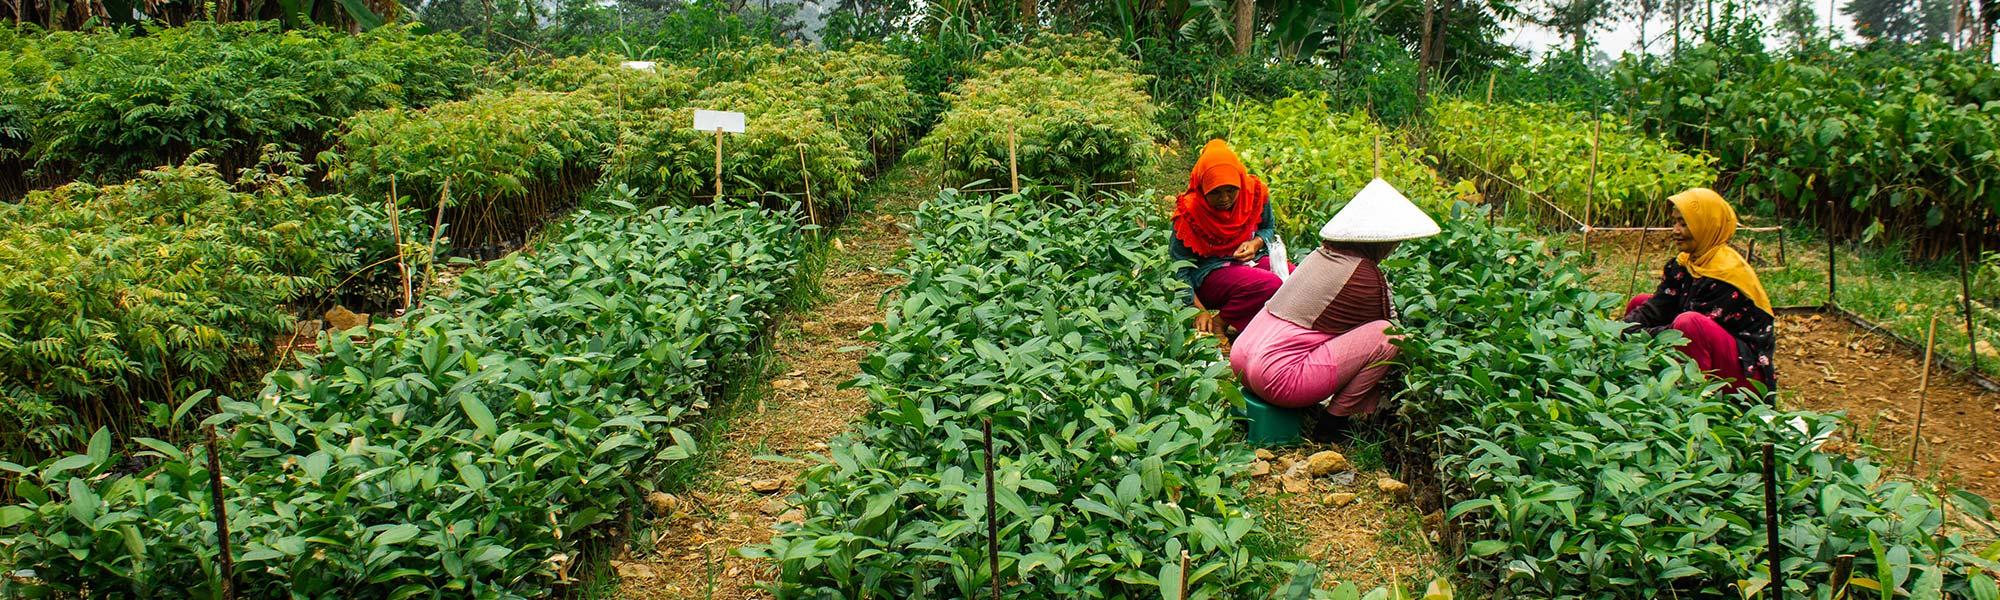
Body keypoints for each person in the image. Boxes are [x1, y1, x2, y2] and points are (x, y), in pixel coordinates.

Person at [1230, 179, 1440, 424]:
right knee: (1390, 336)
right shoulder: (1363, 274)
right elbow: (1385, 328)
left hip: (1242, 360)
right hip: (1278, 378)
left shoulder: (1319, 257)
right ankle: (1334, 422)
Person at [1623, 188, 1777, 393]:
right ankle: (1638, 377)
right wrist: (1614, 331)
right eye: (1674, 222)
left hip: (1743, 375)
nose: (1675, 230)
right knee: (1639, 302)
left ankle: (1693, 397)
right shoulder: (1686, 263)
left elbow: (1685, 333)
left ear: (1706, 225)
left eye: (1684, 223)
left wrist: (1634, 333)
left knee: (1689, 324)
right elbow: (1656, 308)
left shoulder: (1725, 274)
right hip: (1709, 354)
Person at [1171, 139, 1281, 337]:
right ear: (1202, 187)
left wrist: (1255, 243)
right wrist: (1197, 310)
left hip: (1250, 262)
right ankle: (1220, 323)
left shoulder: (1254, 193)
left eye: (1231, 190)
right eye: (1215, 192)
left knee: (1292, 278)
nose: (1225, 199)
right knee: (1269, 284)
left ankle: (1253, 329)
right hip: (1210, 274)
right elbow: (1179, 268)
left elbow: (1268, 229)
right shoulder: (1189, 212)